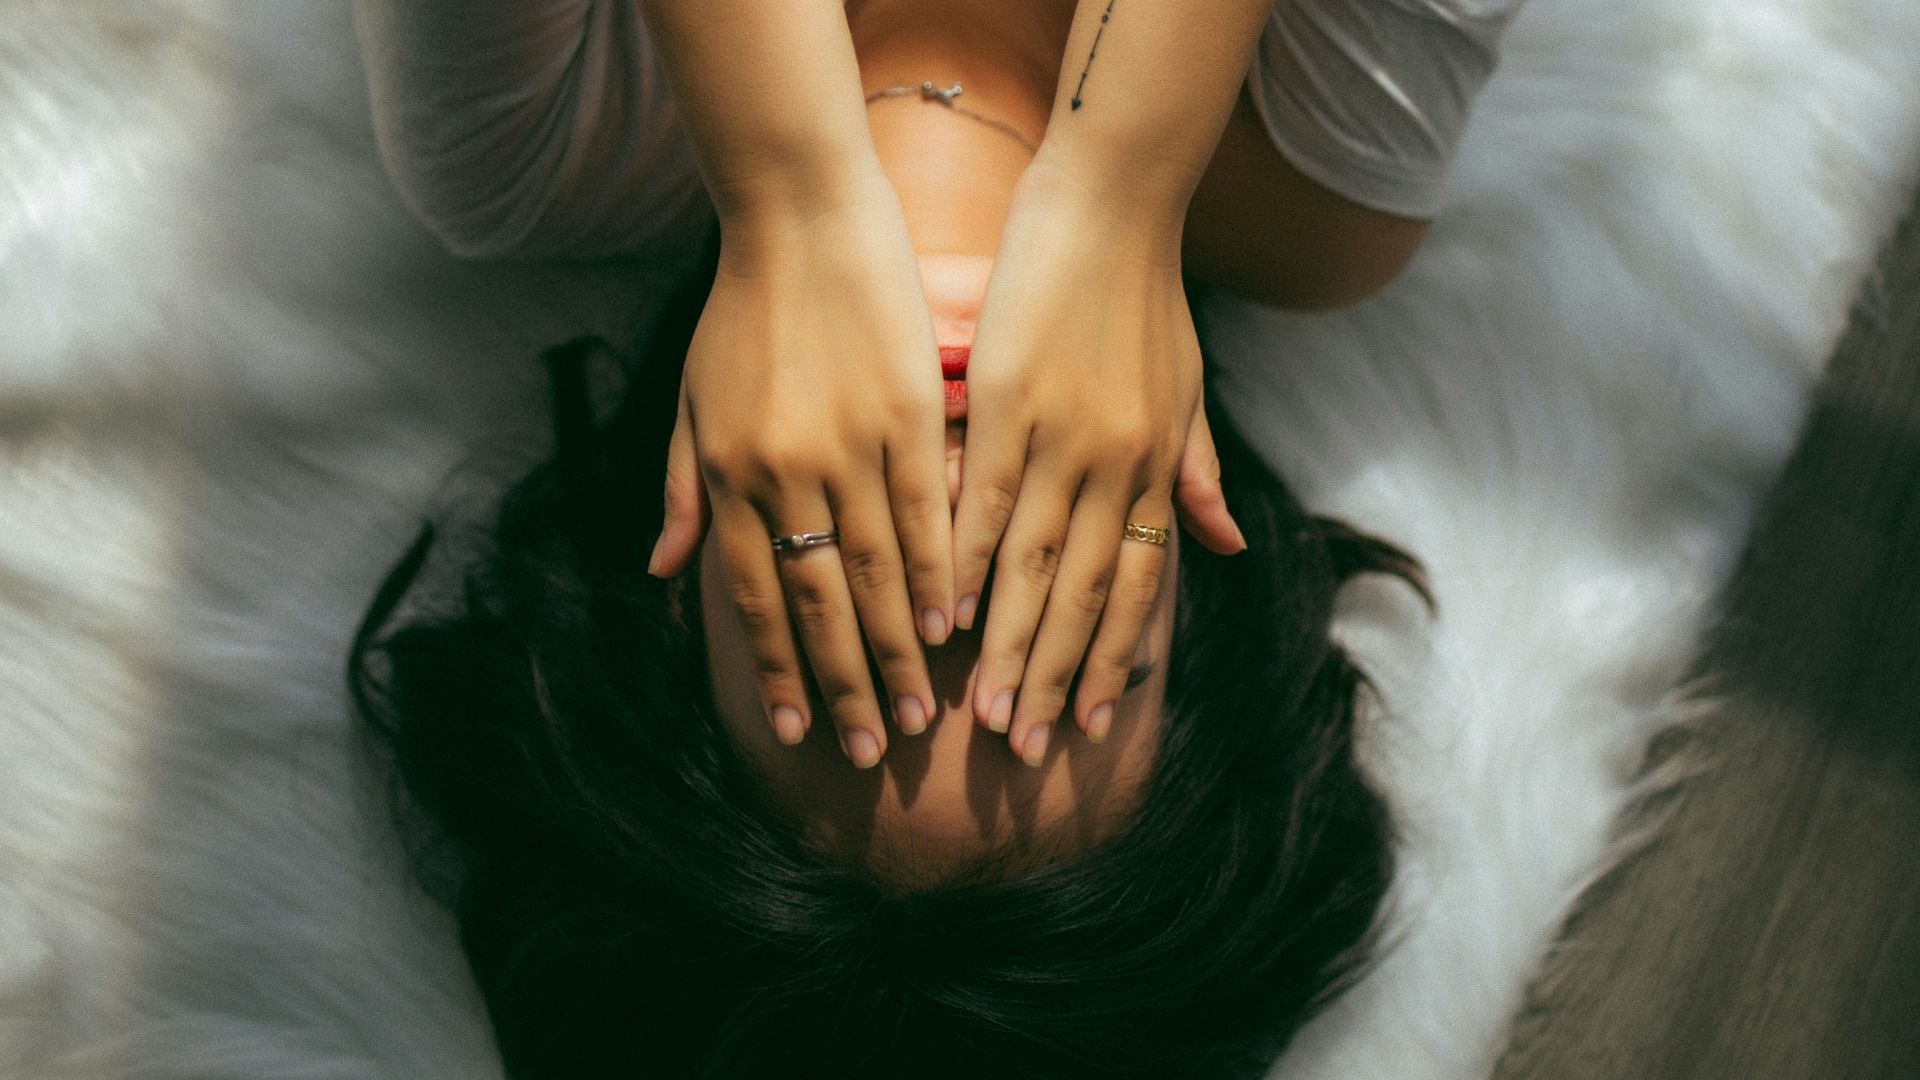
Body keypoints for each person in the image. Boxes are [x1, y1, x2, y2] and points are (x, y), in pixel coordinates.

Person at [352, 0, 1518, 773]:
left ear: (683, 560)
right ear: (1193, 560)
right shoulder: (1333, 183)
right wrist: (1124, 179)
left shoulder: (529, 138)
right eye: (1053, 625)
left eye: (841, 629)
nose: (945, 535)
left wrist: (790, 187)